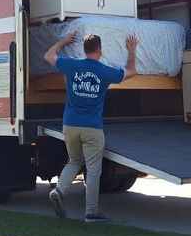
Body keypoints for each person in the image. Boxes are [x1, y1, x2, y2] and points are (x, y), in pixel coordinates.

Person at [44, 32, 138, 223]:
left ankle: (60, 190)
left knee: (74, 161)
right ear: (100, 50)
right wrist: (131, 50)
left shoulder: (72, 65)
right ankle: (91, 212)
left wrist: (63, 41)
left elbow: (48, 56)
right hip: (92, 128)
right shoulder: (104, 71)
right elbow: (131, 71)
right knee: (94, 170)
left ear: (84, 50)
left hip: (70, 125)